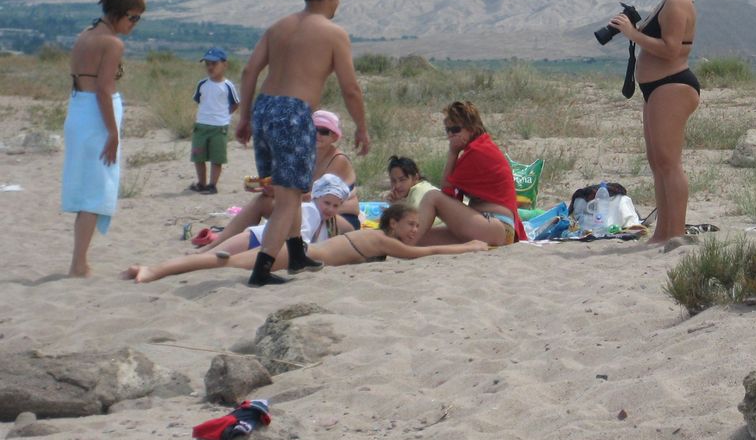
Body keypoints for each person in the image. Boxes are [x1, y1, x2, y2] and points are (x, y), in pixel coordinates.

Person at [235, 0, 371, 287]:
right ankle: (263, 268)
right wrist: (362, 127)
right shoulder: (333, 34)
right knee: (287, 197)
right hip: (294, 113)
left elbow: (249, 71)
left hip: (264, 108)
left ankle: (297, 253)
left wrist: (245, 117)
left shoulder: (278, 27)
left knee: (290, 190)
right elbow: (350, 88)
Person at [122, 203, 487, 284]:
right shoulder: (381, 239)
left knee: (223, 261)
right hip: (299, 254)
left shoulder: (377, 237)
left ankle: (153, 269)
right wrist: (468, 247)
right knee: (224, 262)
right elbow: (424, 252)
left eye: (418, 225)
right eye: (410, 224)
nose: (414, 230)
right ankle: (153, 271)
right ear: (392, 223)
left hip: (300, 252)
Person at [607, 0, 699, 244]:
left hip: (672, 85)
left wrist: (633, 34)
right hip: (656, 89)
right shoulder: (666, 1)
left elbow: (671, 50)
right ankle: (663, 232)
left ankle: (677, 233)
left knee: (670, 163)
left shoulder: (677, 3)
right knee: (657, 162)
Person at [62, 0, 146, 277]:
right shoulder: (111, 43)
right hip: (95, 117)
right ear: (118, 13)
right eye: (133, 18)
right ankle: (78, 263)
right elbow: (103, 89)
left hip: (79, 111)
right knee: (95, 191)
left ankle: (79, 260)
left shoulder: (85, 35)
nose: (134, 24)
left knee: (88, 186)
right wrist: (113, 132)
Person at [198, 109, 359, 252]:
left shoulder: (338, 160)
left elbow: (320, 198)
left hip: (335, 217)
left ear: (334, 137)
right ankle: (220, 244)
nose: (317, 134)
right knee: (263, 200)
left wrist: (279, 192)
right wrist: (267, 186)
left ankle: (221, 247)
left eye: (324, 131)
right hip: (310, 211)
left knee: (274, 203)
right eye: (313, 129)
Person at [415, 101, 524, 247]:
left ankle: (407, 240)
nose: (451, 135)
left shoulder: (477, 151)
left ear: (471, 129)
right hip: (487, 227)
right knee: (423, 239)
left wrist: (452, 153)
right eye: (448, 130)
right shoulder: (481, 146)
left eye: (456, 129)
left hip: (496, 225)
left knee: (432, 197)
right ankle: (406, 241)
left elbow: (447, 192)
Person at [189, 47, 240, 194]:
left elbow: (235, 104)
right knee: (198, 156)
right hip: (201, 125)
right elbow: (199, 100)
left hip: (219, 127)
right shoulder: (202, 84)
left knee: (217, 157)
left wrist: (224, 115)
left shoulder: (228, 86)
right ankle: (201, 183)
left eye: (214, 64)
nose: (210, 67)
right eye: (207, 64)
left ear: (224, 65)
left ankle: (212, 185)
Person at [383, 155, 441, 232]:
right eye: (393, 181)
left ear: (415, 178)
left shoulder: (419, 190)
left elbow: (413, 224)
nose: (397, 185)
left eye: (402, 180)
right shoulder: (420, 187)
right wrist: (397, 203)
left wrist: (395, 208)